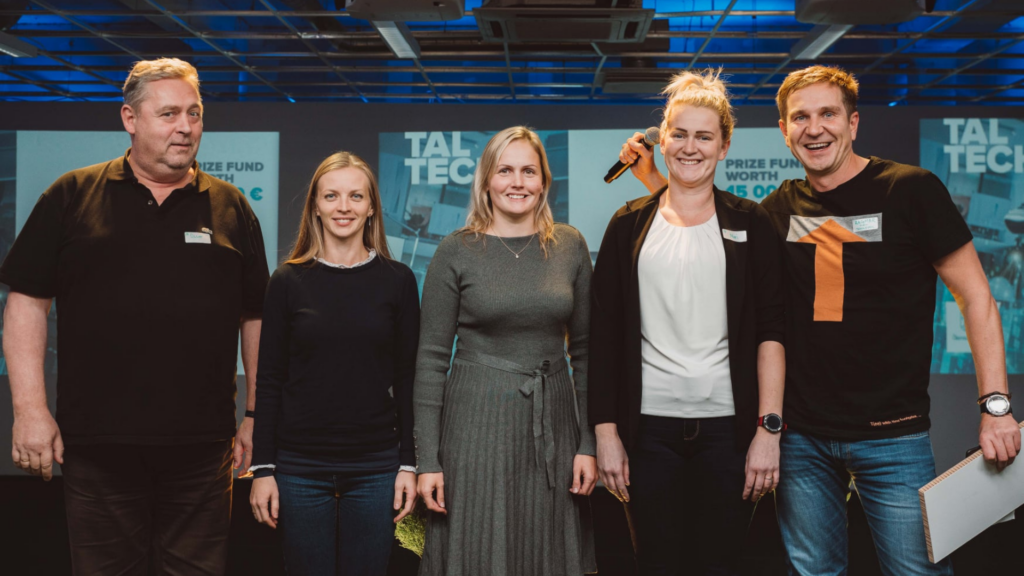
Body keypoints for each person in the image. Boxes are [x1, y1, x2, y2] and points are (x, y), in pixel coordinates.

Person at [620, 64, 1021, 576]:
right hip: (801, 438)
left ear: (853, 122)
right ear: (784, 130)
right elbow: (697, 222)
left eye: (828, 114)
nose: (814, 129)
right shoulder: (776, 210)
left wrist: (996, 407)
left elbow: (977, 297)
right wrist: (656, 178)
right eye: (800, 118)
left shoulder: (911, 190)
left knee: (917, 572)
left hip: (893, 436)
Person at [0, 58, 269, 575]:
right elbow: (26, 303)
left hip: (203, 448)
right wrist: (29, 410)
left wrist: (257, 416)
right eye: (169, 114)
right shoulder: (71, 195)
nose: (185, 127)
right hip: (97, 447)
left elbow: (256, 316)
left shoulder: (231, 205)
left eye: (194, 113)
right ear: (130, 118)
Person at [589, 69, 786, 576]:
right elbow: (604, 338)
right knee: (655, 564)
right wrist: (606, 433)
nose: (690, 147)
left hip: (730, 433)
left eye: (704, 136)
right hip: (647, 433)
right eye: (679, 134)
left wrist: (768, 431)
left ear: (724, 147)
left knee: (720, 565)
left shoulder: (751, 222)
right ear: (662, 140)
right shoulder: (628, 225)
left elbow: (771, 332)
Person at [414, 126, 598, 575]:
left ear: (544, 181)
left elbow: (587, 353)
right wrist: (428, 461)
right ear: (486, 181)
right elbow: (431, 360)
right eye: (505, 171)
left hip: (553, 425)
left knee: (546, 549)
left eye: (529, 171)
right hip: (475, 426)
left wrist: (588, 444)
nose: (518, 182)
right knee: (477, 549)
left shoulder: (570, 246)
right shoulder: (455, 251)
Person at [247, 151, 419, 575]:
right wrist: (263, 468)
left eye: (356, 196)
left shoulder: (398, 280)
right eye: (331, 196)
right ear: (315, 206)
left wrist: (409, 463)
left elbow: (408, 379)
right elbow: (269, 379)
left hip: (376, 467)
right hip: (299, 467)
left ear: (371, 207)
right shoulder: (287, 281)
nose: (344, 207)